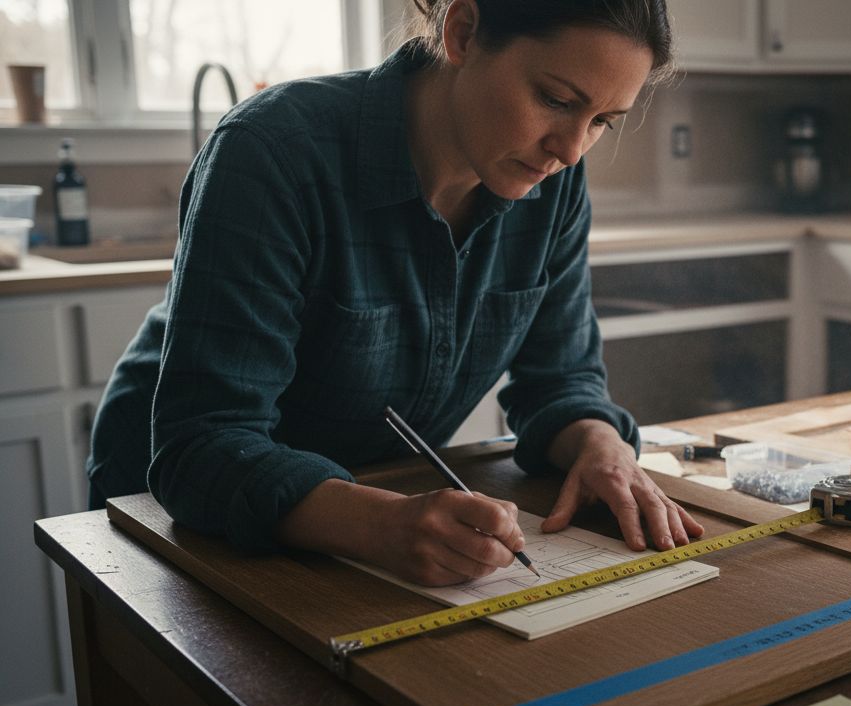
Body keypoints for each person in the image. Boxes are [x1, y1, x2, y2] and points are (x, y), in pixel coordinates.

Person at [86, 0, 704, 587]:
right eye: (554, 99)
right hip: (170, 511)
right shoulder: (272, 150)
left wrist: (601, 445)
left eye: (600, 122)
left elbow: (562, 379)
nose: (570, 150)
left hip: (367, 511)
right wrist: (380, 523)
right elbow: (203, 444)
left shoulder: (554, 182)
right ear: (462, 31)